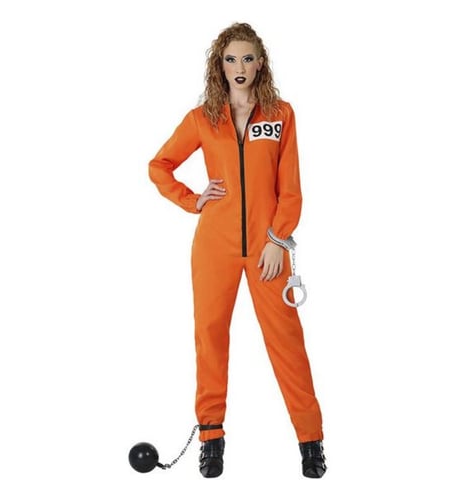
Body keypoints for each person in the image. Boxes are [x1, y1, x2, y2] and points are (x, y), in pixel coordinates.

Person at [148, 22, 326, 478]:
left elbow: (291, 189)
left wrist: (278, 239)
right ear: (220, 65)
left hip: (269, 248)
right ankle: (211, 439)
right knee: (210, 338)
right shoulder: (202, 119)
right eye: (231, 59)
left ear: (260, 63)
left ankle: (311, 441)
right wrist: (193, 200)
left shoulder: (281, 115)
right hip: (215, 246)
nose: (239, 67)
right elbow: (159, 166)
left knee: (286, 341)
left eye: (247, 58)